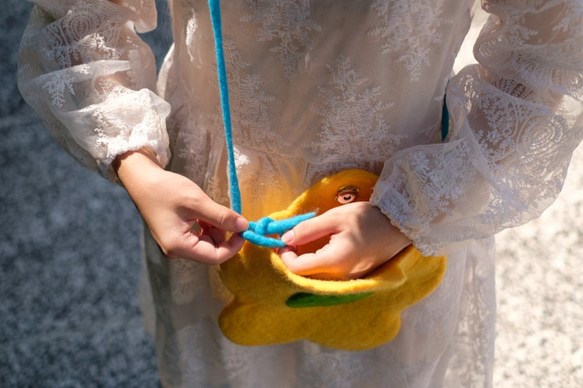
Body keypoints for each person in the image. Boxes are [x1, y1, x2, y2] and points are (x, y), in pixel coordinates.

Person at [17, 0, 583, 386]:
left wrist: (412, 209)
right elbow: (78, 13)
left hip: (408, 198)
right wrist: (138, 166)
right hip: (212, 197)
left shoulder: (419, 202)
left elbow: (549, 46)